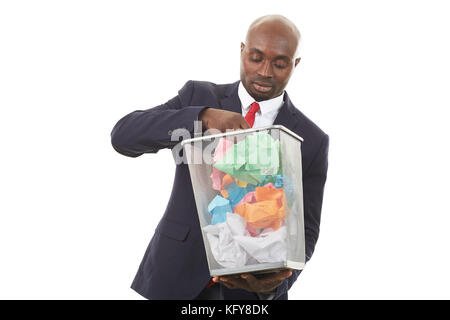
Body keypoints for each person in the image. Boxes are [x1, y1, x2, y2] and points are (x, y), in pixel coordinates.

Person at [110, 14, 329, 300]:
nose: (265, 71)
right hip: (174, 277)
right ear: (242, 51)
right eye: (256, 57)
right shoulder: (198, 96)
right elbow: (124, 137)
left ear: (295, 64)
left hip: (249, 294)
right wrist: (201, 116)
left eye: (279, 63)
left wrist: (274, 287)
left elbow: (306, 229)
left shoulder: (311, 139)